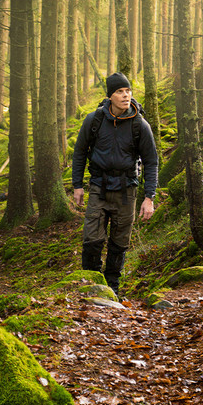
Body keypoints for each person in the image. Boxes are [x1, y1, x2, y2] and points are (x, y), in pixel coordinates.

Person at [71, 72, 158, 294]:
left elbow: (151, 161)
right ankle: (90, 286)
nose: (125, 95)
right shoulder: (94, 120)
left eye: (128, 91)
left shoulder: (140, 125)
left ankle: (112, 290)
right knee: (92, 239)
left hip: (127, 190)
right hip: (99, 187)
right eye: (120, 91)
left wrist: (149, 198)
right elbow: (80, 152)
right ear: (110, 96)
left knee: (119, 244)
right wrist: (78, 185)